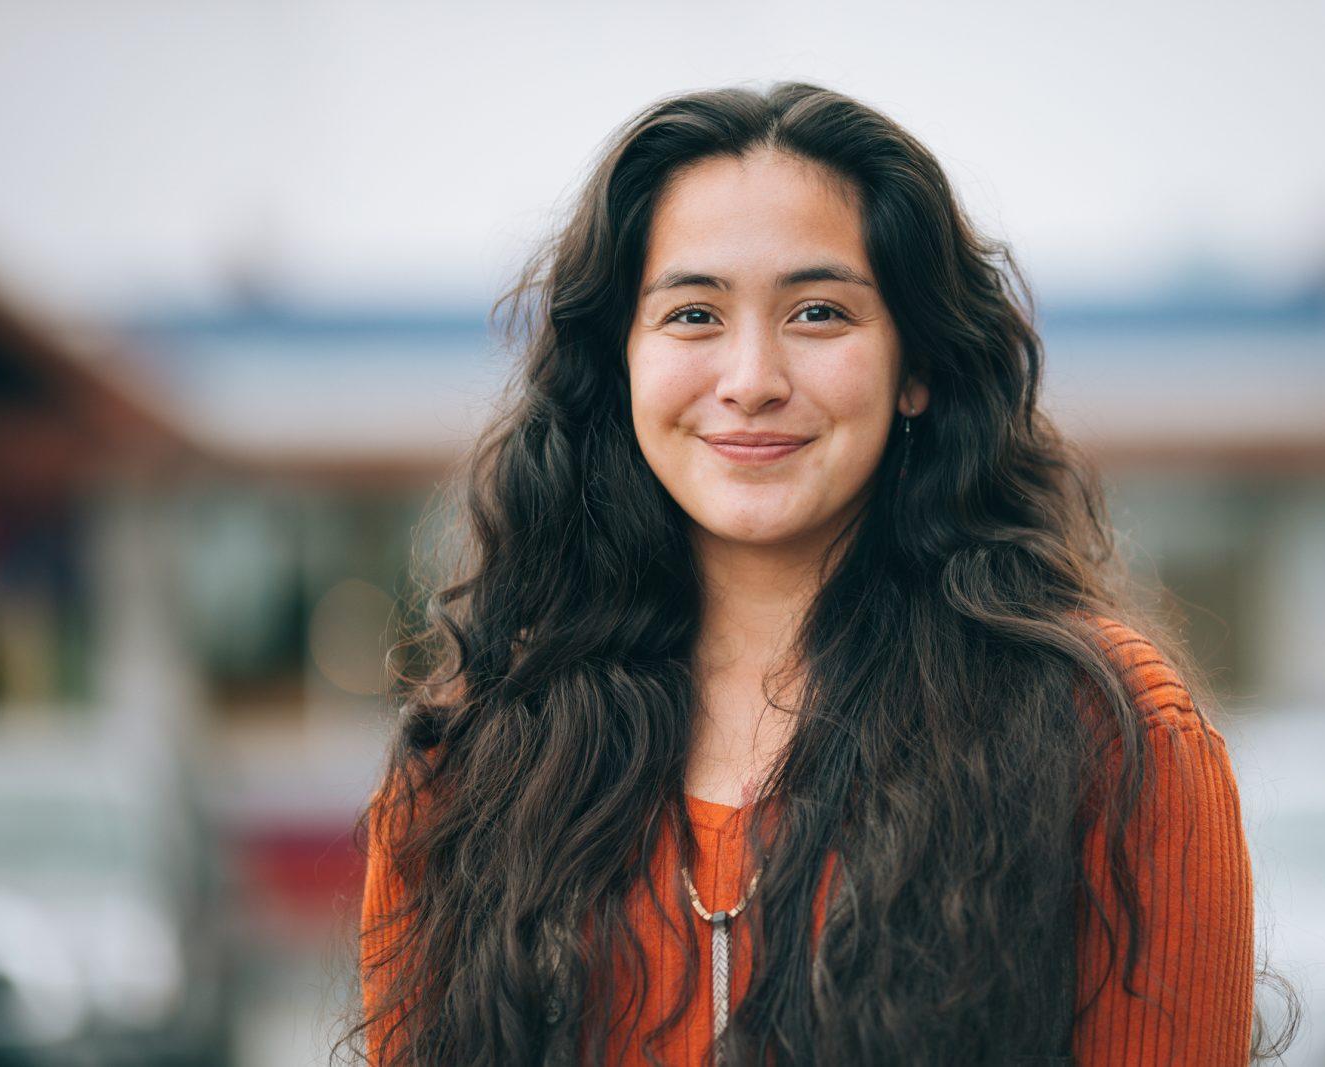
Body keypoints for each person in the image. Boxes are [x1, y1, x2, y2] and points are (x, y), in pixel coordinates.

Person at [341, 82, 1262, 1066]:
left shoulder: (1106, 733)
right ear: (620, 367)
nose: (750, 377)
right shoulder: (472, 759)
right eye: (693, 313)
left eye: (818, 312)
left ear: (916, 366)